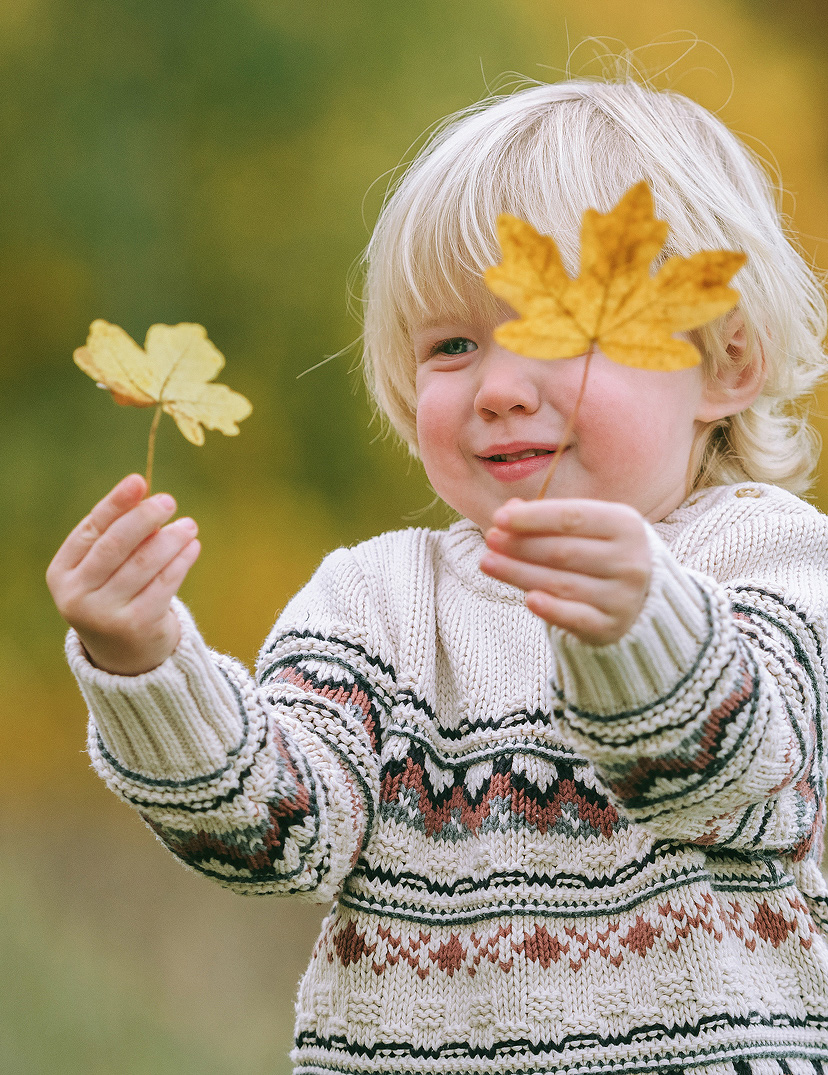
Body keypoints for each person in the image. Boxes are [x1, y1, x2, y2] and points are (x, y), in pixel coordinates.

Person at [46, 76, 828, 1075]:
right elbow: (280, 838)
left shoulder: (769, 559)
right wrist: (145, 664)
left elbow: (734, 781)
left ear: (725, 364)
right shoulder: (375, 601)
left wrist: (640, 627)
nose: (500, 389)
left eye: (563, 335)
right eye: (452, 345)